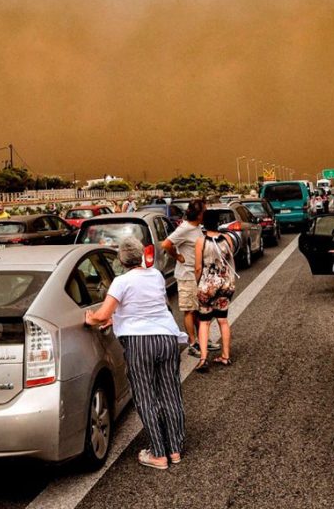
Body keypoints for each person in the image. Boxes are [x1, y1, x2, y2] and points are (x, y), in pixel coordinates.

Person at [85, 237, 186, 470]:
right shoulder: (156, 276)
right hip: (167, 338)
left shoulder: (121, 281)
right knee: (171, 393)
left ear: (121, 260)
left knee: (146, 396)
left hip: (140, 342)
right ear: (141, 255)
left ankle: (158, 454)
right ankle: (175, 448)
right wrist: (118, 316)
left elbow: (102, 314)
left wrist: (92, 318)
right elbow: (148, 304)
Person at [161, 199, 220, 357]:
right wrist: (177, 256)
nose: (206, 213)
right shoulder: (185, 228)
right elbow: (166, 244)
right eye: (204, 211)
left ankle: (203, 339)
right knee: (189, 310)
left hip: (198, 274)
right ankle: (193, 343)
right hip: (187, 275)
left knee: (200, 309)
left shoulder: (198, 228)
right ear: (199, 214)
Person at [193, 210, 237, 372]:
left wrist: (198, 283)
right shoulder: (227, 239)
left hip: (207, 286)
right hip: (225, 285)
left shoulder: (200, 241)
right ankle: (225, 356)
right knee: (223, 320)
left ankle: (203, 358)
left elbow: (198, 267)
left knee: (204, 322)